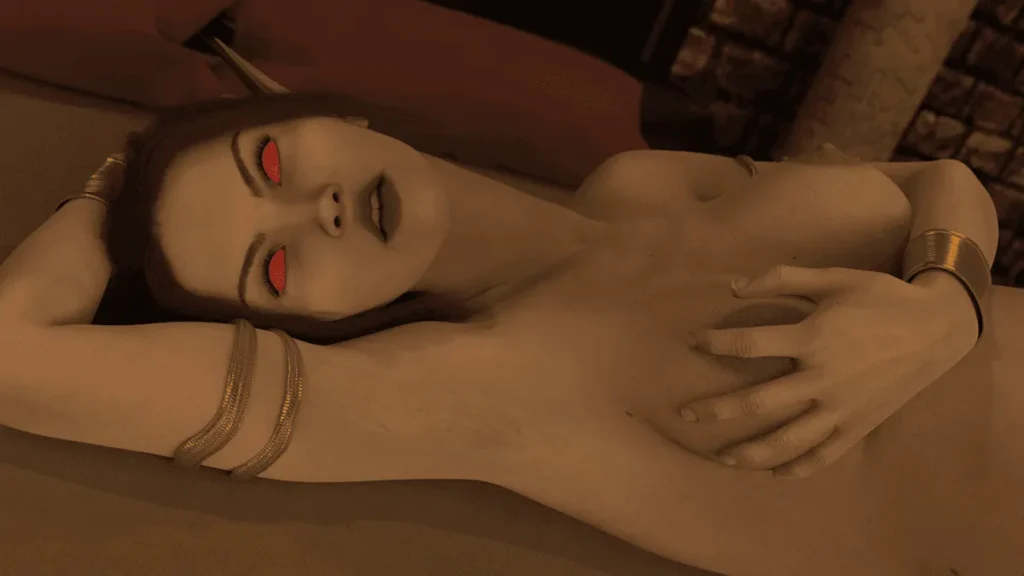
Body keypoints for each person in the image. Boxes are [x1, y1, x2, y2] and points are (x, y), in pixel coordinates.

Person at [0, 45, 1017, 576]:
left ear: (332, 117)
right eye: (274, 266)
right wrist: (113, 185)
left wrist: (945, 308)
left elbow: (938, 179)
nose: (320, 212)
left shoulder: (641, 182)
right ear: (302, 322)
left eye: (271, 162)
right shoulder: (479, 390)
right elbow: (13, 361)